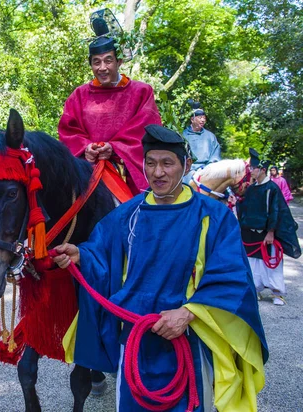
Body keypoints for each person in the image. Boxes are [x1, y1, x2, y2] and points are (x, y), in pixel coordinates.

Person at [54, 125, 267, 411]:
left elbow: (231, 276)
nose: (158, 172)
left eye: (168, 163)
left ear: (186, 165)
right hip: (134, 339)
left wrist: (189, 313)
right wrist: (81, 254)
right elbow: (103, 252)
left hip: (187, 340)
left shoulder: (213, 217)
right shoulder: (127, 214)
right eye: (151, 163)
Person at [58, 15, 162, 195]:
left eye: (108, 60)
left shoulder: (141, 92)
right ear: (90, 65)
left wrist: (114, 147)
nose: (102, 68)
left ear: (119, 61)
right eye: (96, 62)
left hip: (128, 171)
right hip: (87, 170)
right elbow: (68, 131)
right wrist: (86, 148)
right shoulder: (79, 95)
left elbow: (146, 130)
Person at [237, 150, 301, 306]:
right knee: (253, 263)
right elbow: (245, 209)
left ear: (262, 170)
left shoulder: (272, 188)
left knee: (271, 263)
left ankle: (277, 293)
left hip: (266, 233)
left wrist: (271, 232)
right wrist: (236, 202)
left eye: (253, 168)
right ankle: (256, 290)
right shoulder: (251, 189)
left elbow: (276, 211)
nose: (250, 171)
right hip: (251, 233)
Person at [182, 106, 221, 183]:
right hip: (187, 171)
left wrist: (206, 169)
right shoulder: (183, 135)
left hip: (207, 171)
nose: (203, 120)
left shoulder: (210, 136)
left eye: (204, 118)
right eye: (200, 118)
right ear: (192, 119)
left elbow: (215, 156)